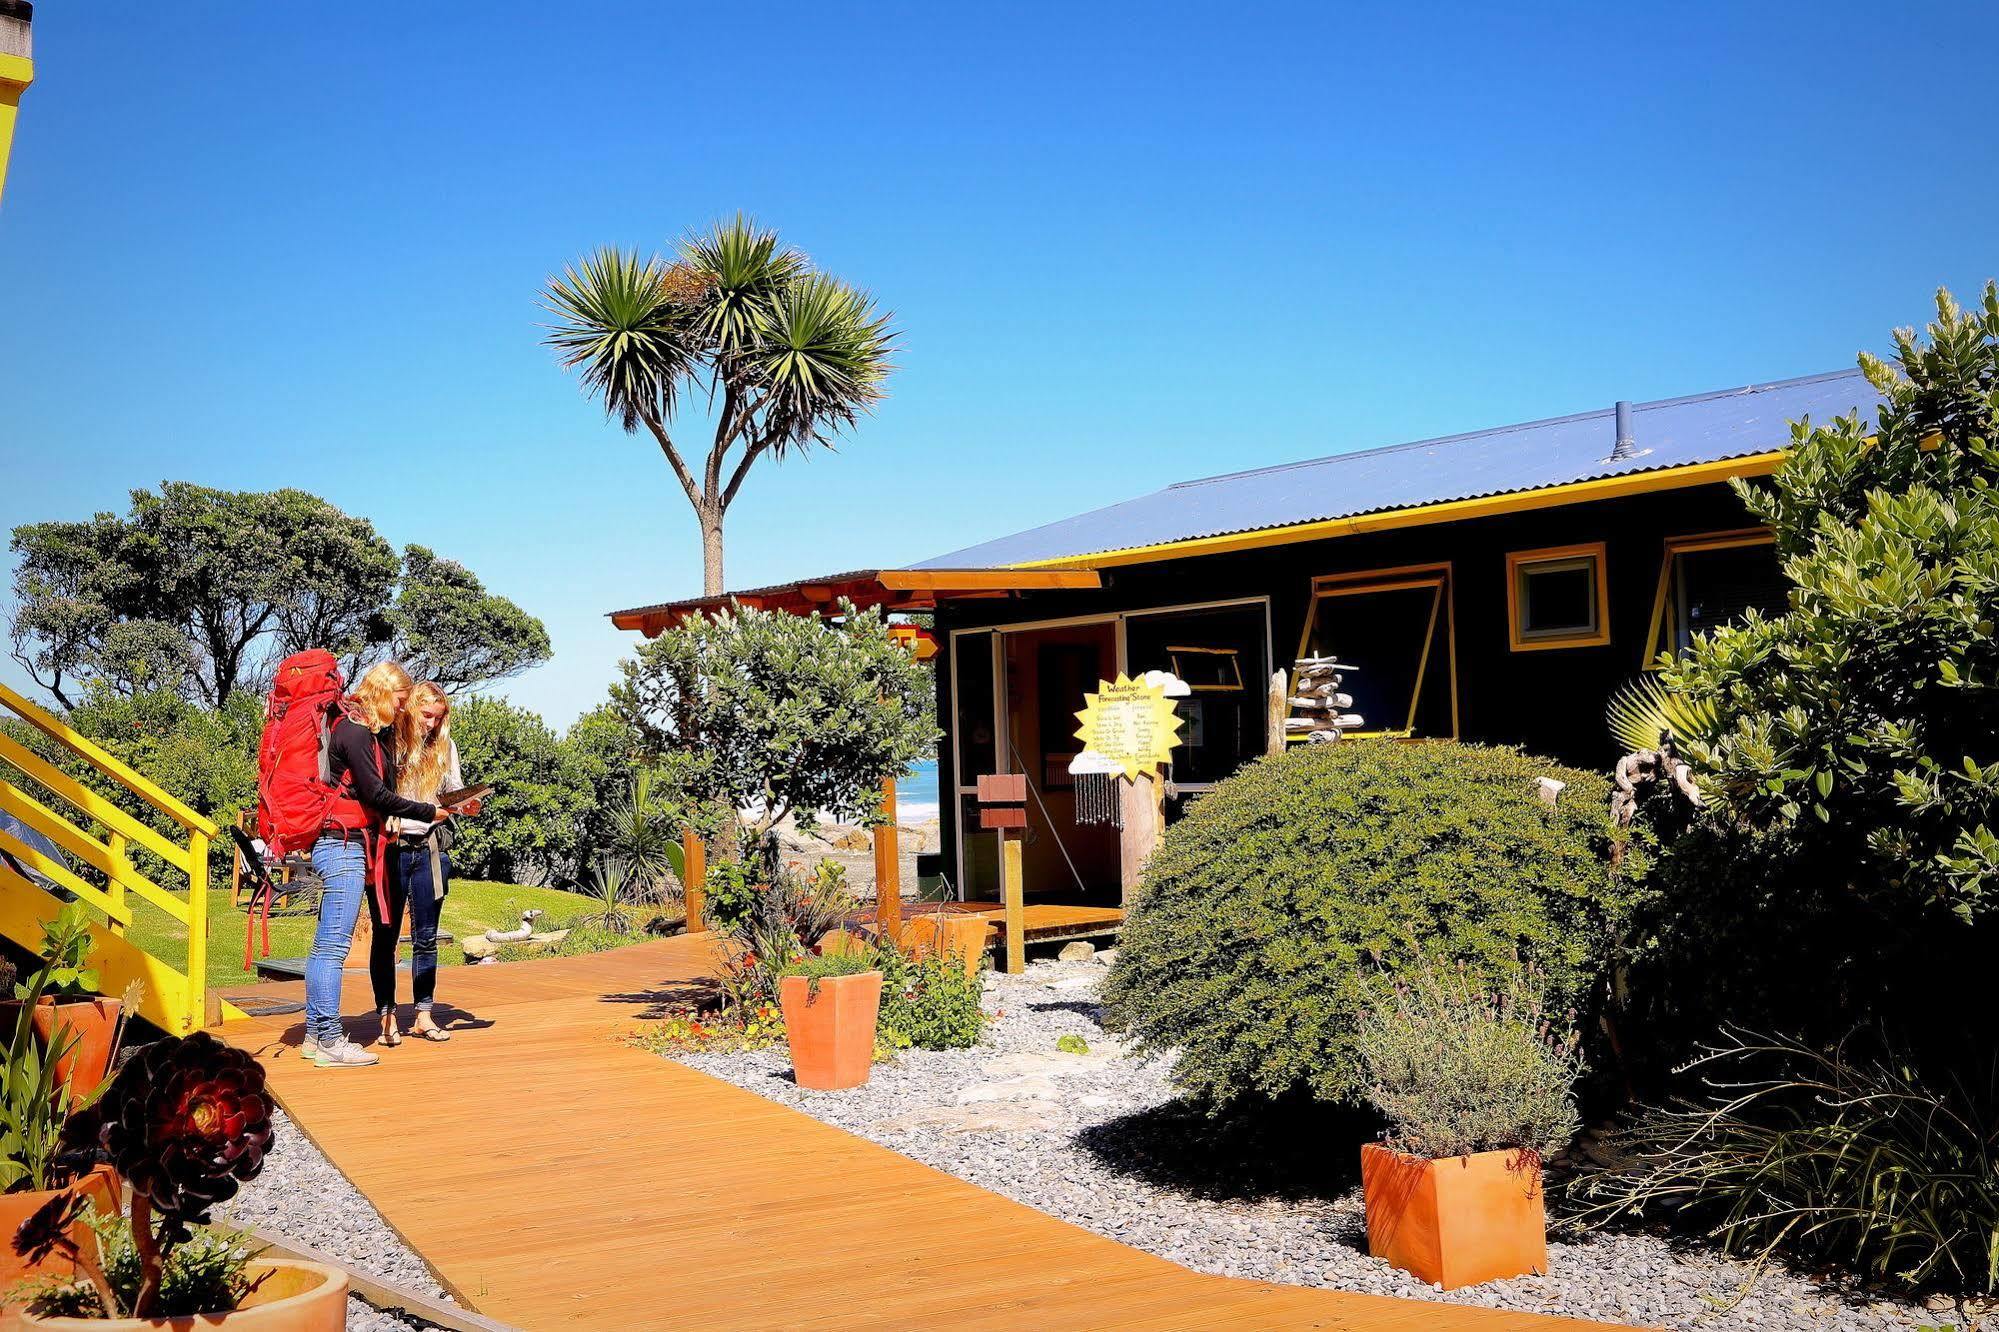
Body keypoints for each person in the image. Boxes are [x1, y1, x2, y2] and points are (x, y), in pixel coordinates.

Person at [303, 661, 438, 1069]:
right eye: (399, 701)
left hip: (338, 841)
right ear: (382, 692)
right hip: (342, 846)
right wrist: (427, 810)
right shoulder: (356, 731)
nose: (402, 710)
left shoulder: (353, 726)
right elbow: (376, 794)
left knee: (324, 944)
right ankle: (328, 1039)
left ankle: (314, 1035)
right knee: (332, 947)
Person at [377, 681, 479, 1044]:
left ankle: (423, 1013)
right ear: (411, 710)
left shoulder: (445, 746)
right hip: (392, 844)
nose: (431, 724)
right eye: (426, 716)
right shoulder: (392, 741)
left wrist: (466, 803)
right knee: (386, 936)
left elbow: (453, 790)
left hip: (431, 845)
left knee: (426, 937)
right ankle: (386, 1015)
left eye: (438, 718)